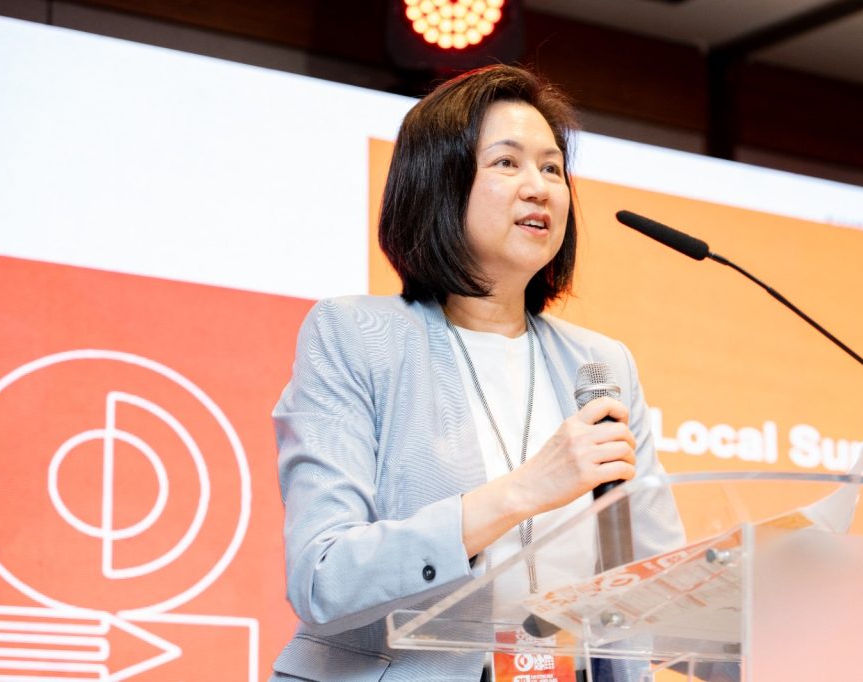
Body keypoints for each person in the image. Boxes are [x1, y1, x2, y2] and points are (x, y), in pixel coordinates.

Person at [270, 64, 683, 682]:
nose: (540, 188)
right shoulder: (355, 336)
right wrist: (520, 492)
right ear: (437, 184)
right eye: (507, 163)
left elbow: (657, 587)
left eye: (552, 168)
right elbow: (323, 578)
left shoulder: (603, 365)